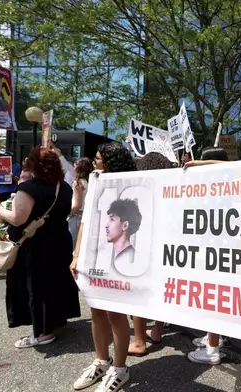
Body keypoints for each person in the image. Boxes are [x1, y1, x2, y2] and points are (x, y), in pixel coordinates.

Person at [0, 146, 80, 348]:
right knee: (54, 284)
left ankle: (42, 333)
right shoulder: (62, 187)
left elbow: (17, 218)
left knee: (36, 288)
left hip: (36, 246)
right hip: (59, 241)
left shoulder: (29, 188)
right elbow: (70, 208)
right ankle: (54, 321)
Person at [70, 142, 137, 392]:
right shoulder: (96, 185)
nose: (94, 162)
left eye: (98, 159)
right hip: (94, 257)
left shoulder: (132, 186)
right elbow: (86, 223)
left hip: (118, 257)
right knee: (96, 310)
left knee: (116, 313)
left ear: (110, 162)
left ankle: (120, 369)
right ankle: (101, 360)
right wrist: (77, 255)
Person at [183, 148, 232, 364]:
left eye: (205, 163)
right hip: (213, 249)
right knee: (213, 297)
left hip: (219, 251)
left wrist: (201, 164)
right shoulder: (215, 187)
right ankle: (215, 337)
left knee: (215, 297)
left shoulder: (229, 180)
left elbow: (229, 166)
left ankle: (212, 350)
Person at [128, 152, 174, 357]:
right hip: (166, 251)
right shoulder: (171, 191)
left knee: (140, 294)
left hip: (145, 250)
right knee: (160, 291)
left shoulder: (142, 193)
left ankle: (139, 341)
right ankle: (156, 331)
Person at [69, 157, 93, 246]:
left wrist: (66, 213)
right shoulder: (88, 181)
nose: (73, 168)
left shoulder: (78, 183)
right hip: (84, 215)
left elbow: (77, 204)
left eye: (74, 166)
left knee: (72, 245)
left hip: (76, 216)